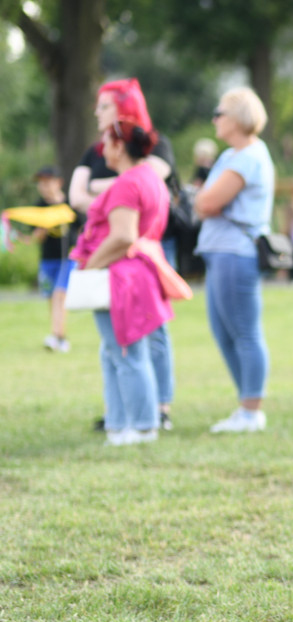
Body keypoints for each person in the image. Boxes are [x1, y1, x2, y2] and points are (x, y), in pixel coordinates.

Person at [68, 78, 176, 432]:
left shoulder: (129, 183)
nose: (101, 149)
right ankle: (121, 422)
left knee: (126, 351)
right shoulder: (147, 177)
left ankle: (142, 424)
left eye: (106, 144)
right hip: (138, 269)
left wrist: (90, 266)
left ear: (118, 145)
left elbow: (123, 236)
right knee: (120, 351)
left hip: (123, 273)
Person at [194, 86, 275, 433]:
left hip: (235, 253)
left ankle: (250, 410)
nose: (215, 118)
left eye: (220, 112)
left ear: (240, 117)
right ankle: (245, 405)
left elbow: (208, 203)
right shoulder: (231, 156)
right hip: (219, 251)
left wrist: (200, 199)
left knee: (244, 331)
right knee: (223, 332)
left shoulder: (248, 157)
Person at [31, 166, 77, 352]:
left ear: (59, 182)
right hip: (48, 258)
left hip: (68, 258)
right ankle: (57, 335)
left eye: (48, 182)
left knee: (60, 294)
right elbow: (35, 236)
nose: (44, 187)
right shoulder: (39, 206)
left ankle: (58, 336)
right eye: (41, 183)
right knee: (52, 298)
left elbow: (81, 227)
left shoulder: (69, 205)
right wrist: (42, 228)